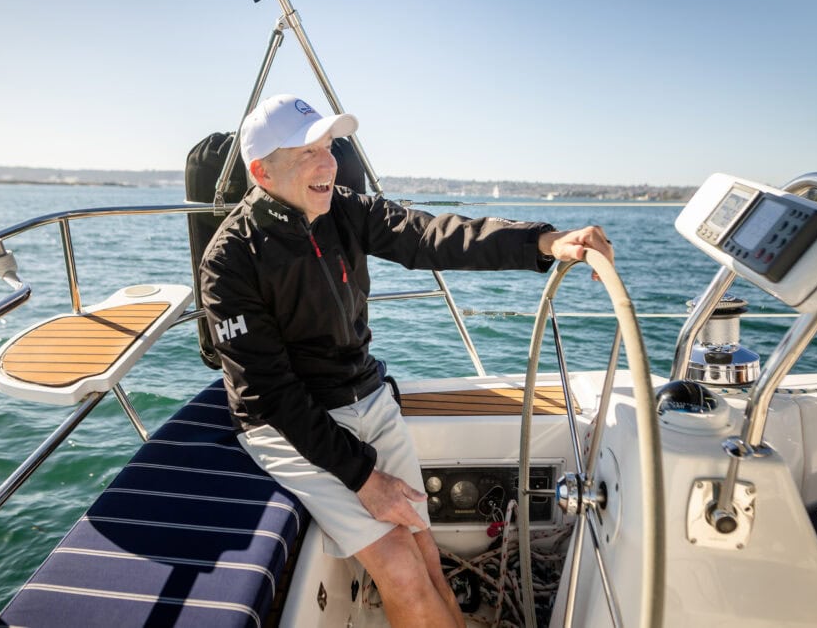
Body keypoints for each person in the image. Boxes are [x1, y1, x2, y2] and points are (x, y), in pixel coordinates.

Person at [199, 94, 613, 627]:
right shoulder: (229, 260)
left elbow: (431, 235)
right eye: (308, 153)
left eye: (328, 147)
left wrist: (543, 242)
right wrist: (365, 478)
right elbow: (272, 395)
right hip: (290, 425)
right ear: (263, 172)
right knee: (400, 568)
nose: (328, 163)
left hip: (365, 396)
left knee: (426, 558)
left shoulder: (344, 209)